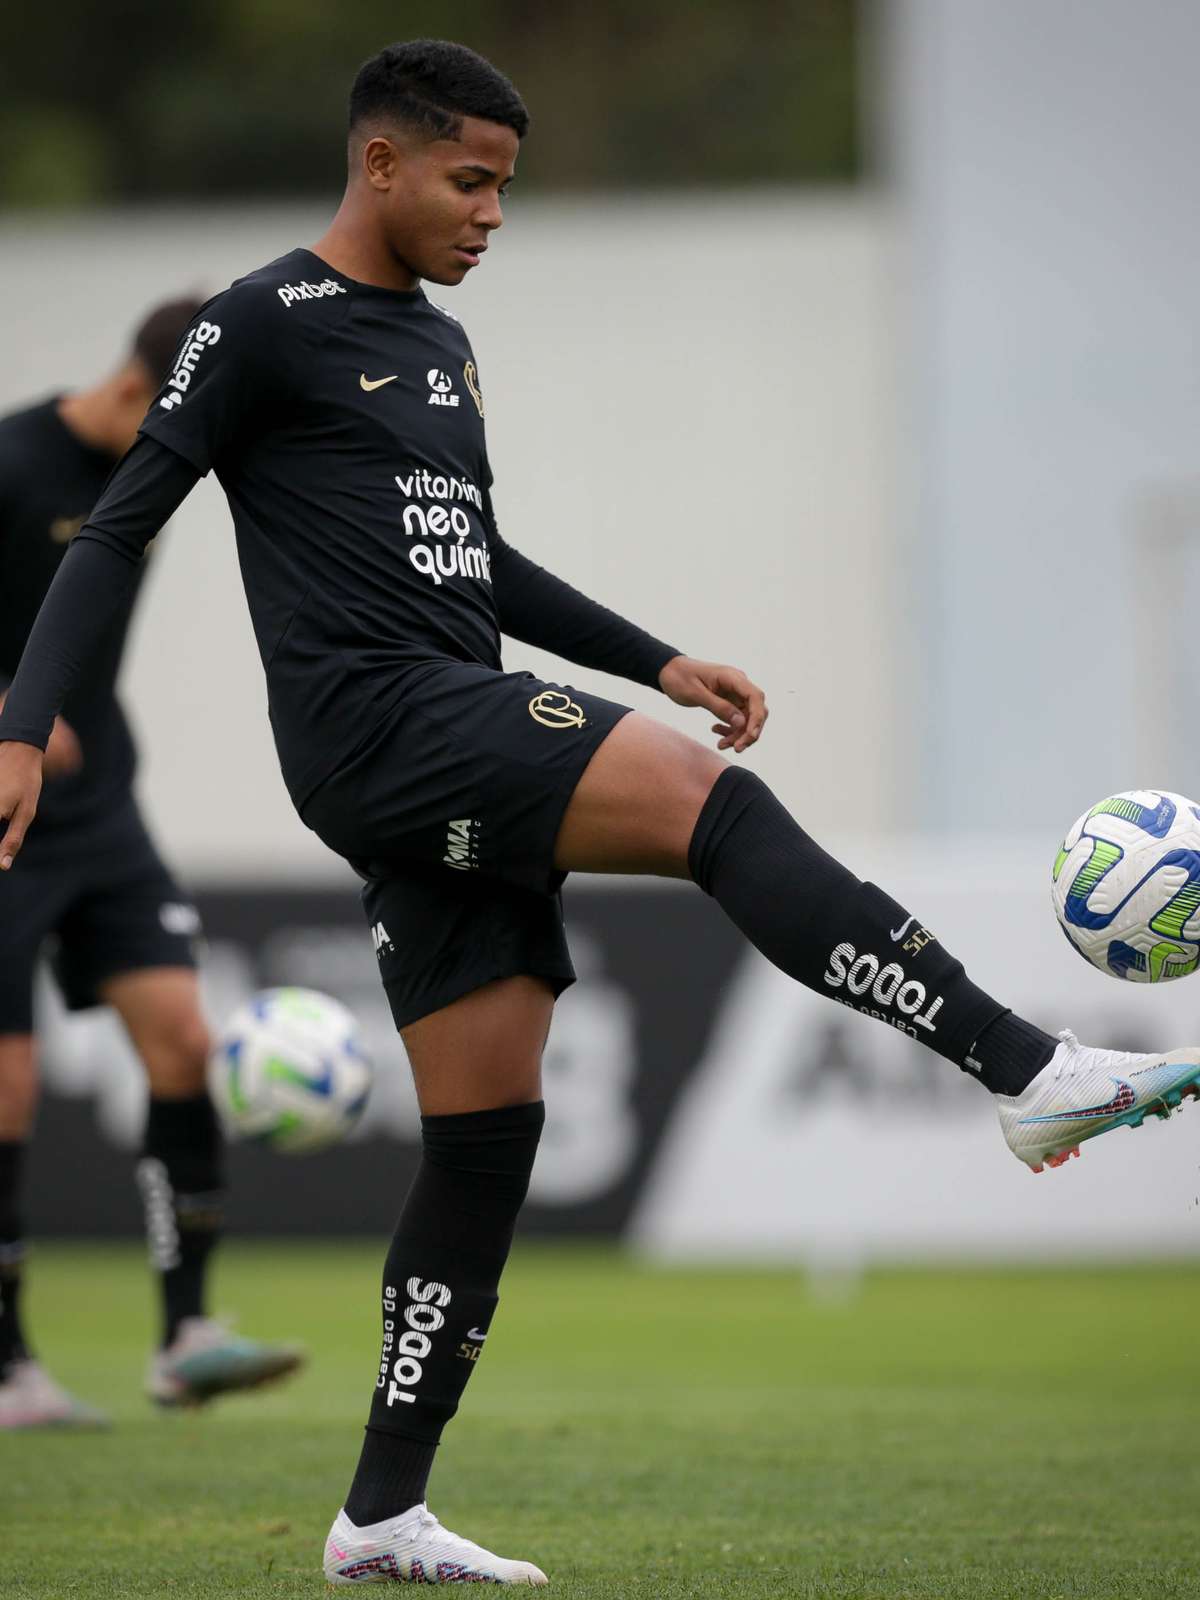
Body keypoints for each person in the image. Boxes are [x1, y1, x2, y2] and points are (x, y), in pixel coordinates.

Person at [0, 38, 1196, 1582]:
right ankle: (1026, 1066)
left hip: (441, 729)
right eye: (470, 180)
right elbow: (119, 527)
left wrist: (653, 654)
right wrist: (23, 725)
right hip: (384, 723)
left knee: (486, 1133)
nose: (493, 213)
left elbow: (477, 563)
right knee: (710, 805)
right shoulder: (260, 322)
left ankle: (379, 1512)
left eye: (505, 185)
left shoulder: (438, 352)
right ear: (382, 162)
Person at [0, 301, 303, 1429]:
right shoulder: (15, 461)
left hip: (102, 804)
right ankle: (10, 1366)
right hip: (1, 805)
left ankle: (187, 1335)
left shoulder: (147, 475)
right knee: (9, 1085)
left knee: (182, 1038)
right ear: (139, 393)